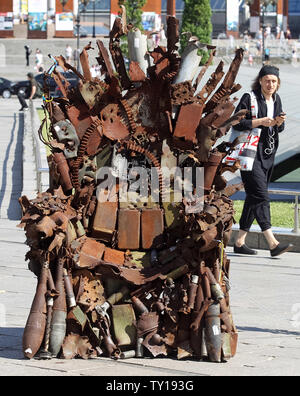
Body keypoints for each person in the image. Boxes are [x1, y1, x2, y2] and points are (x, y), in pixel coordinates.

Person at [233, 65, 293, 257]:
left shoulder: (277, 99)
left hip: (268, 154)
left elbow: (277, 129)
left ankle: (240, 241)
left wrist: (278, 123)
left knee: (253, 197)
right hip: (250, 154)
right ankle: (273, 243)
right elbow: (236, 121)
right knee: (262, 196)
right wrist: (259, 121)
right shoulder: (248, 98)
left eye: (274, 81)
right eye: (267, 80)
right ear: (260, 81)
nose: (270, 84)